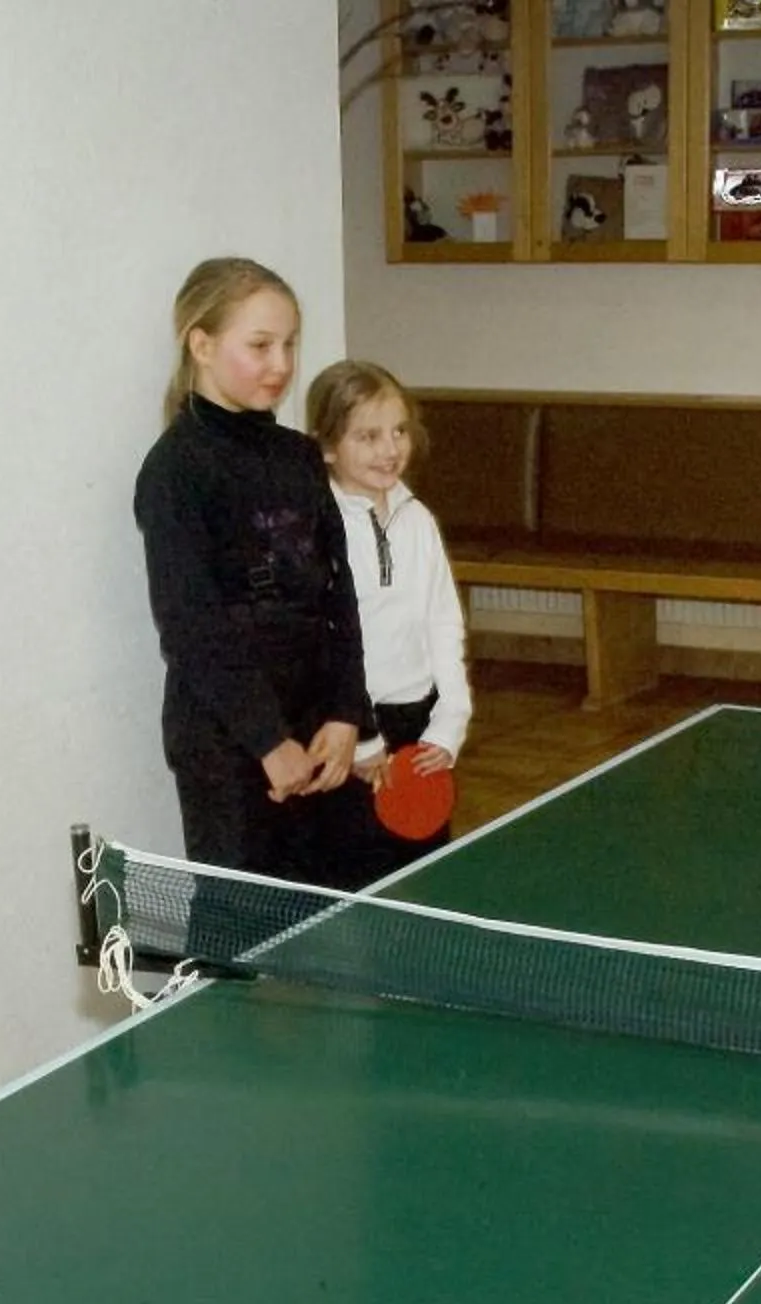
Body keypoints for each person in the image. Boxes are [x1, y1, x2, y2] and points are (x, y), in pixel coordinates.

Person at [133, 257, 379, 888]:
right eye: (260, 345)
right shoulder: (176, 471)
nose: (281, 365)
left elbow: (337, 597)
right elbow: (191, 628)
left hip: (320, 735)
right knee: (242, 937)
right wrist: (269, 742)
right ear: (202, 344)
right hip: (229, 745)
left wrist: (345, 713)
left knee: (335, 917)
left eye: (290, 344)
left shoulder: (298, 456)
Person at [309, 358, 474, 874]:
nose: (390, 449)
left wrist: (450, 719)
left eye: (399, 430)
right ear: (329, 446)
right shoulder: (322, 526)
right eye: (369, 436)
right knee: (359, 876)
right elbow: (327, 641)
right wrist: (362, 737)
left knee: (423, 872)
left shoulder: (417, 519)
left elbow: (443, 622)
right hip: (352, 729)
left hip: (418, 722)